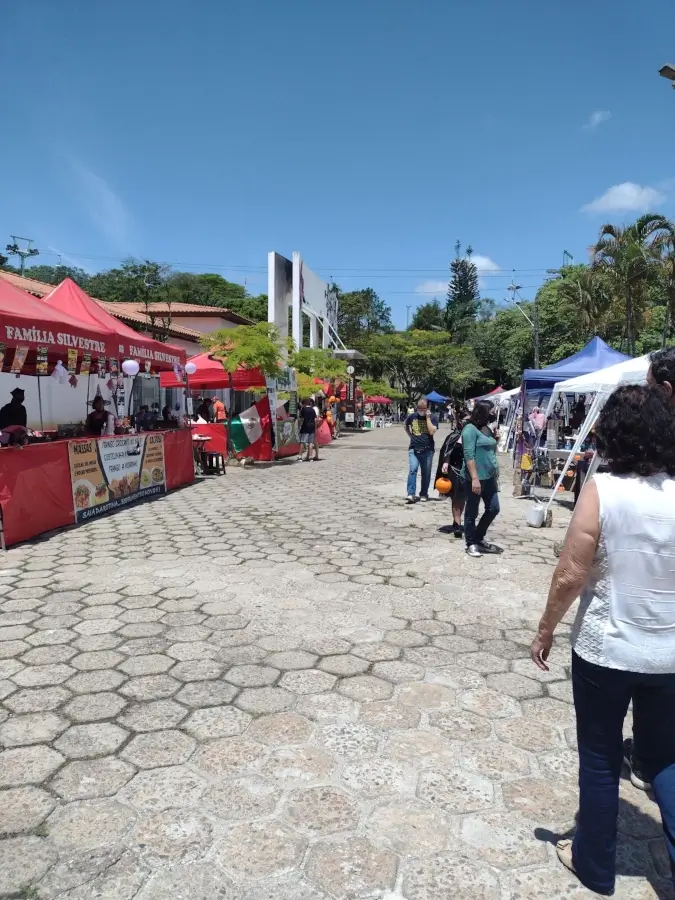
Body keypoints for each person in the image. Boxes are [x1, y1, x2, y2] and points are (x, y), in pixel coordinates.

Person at [530, 384, 675, 897]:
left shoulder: (601, 490)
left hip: (606, 649)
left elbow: (571, 572)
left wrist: (546, 628)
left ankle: (594, 864)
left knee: (599, 756)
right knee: (665, 759)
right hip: (669, 654)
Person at [461, 400, 500, 557]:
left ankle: (478, 537)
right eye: (492, 411)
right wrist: (475, 478)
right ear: (483, 412)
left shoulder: (487, 429)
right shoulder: (469, 429)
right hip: (475, 477)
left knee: (494, 508)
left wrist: (496, 439)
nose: (494, 414)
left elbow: (489, 449)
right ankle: (471, 543)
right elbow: (469, 455)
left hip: (489, 477)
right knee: (472, 511)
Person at [404, 399, 438, 504]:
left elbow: (432, 431)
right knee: (413, 469)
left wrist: (427, 418)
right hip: (414, 448)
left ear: (427, 408)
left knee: (426, 473)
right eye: (420, 409)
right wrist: (410, 435)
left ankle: (424, 493)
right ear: (417, 408)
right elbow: (406, 425)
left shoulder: (433, 417)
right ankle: (411, 493)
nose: (421, 411)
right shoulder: (412, 416)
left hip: (428, 450)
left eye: (424, 409)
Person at [298, 397, 319, 461]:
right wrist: (315, 427)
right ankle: (310, 457)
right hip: (312, 427)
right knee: (310, 442)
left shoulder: (303, 409)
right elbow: (315, 419)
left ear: (304, 403)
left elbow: (301, 419)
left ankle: (300, 456)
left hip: (305, 427)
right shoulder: (312, 409)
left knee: (302, 442)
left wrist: (299, 425)